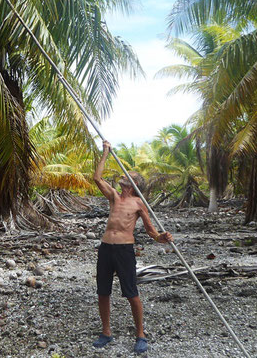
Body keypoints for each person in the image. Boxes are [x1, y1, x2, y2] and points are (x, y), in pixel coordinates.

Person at [92, 140, 173, 354]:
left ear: (135, 183)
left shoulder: (138, 203)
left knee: (131, 293)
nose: (123, 176)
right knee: (103, 291)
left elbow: (149, 230)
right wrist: (105, 153)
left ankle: (140, 334)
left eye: (129, 175)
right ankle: (106, 332)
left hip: (124, 250)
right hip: (106, 248)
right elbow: (96, 178)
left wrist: (161, 237)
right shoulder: (114, 197)